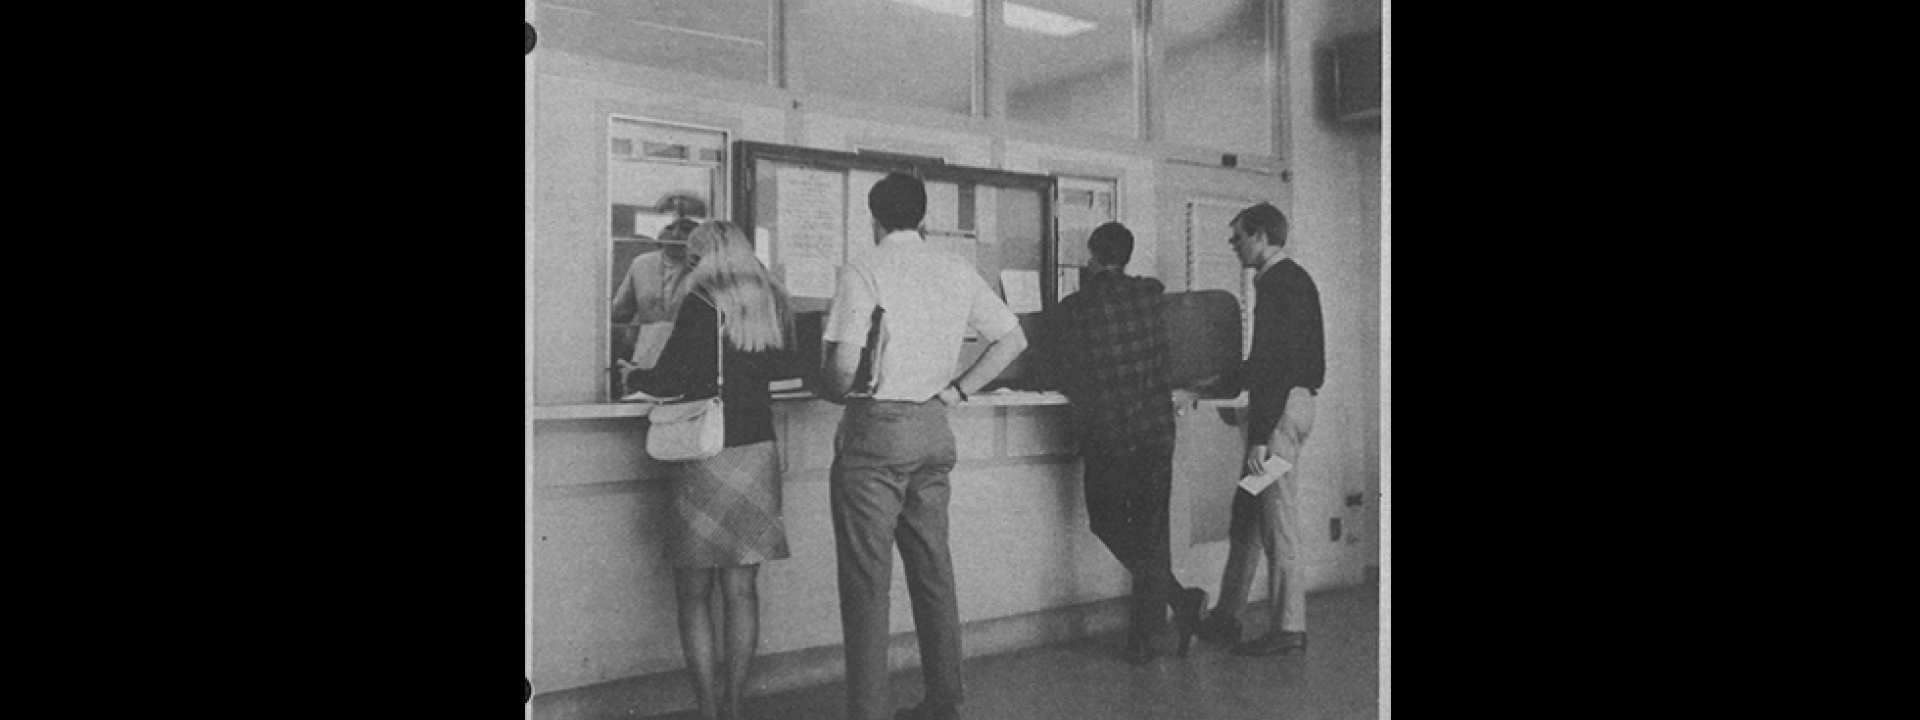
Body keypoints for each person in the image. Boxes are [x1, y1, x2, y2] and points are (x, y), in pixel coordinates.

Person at [821, 173, 1027, 720]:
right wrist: (958, 389)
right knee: (933, 569)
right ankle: (946, 699)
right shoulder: (955, 269)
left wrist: (834, 388)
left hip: (877, 431)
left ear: (874, 217)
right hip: (934, 429)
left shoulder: (864, 267)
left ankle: (866, 711)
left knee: (867, 582)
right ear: (924, 217)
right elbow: (1012, 338)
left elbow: (843, 366)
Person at [625, 220, 796, 720]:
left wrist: (634, 373)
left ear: (704, 259)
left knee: (694, 592)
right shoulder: (772, 302)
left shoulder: (701, 305)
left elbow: (673, 376)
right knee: (742, 589)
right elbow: (787, 366)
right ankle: (735, 705)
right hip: (758, 451)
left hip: (708, 453)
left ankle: (705, 708)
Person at [1048, 222, 1208, 664]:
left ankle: (1173, 607)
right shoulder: (1151, 294)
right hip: (1156, 433)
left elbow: (1062, 369)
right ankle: (1157, 623)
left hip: (1109, 436)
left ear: (1093, 256)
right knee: (1152, 535)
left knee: (1108, 523)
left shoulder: (1074, 308)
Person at [1195, 202, 1326, 657]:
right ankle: (1227, 616)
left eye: (1238, 237)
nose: (1233, 246)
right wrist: (1221, 383)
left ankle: (1289, 627)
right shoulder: (1282, 280)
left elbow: (1275, 367)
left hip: (1279, 415)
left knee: (1277, 521)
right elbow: (1265, 362)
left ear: (1262, 236)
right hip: (1287, 406)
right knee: (1248, 513)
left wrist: (1258, 439)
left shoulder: (1279, 284)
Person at [613, 217, 699, 381]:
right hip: (646, 352)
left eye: (685, 229)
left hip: (686, 355)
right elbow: (620, 313)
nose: (676, 235)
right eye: (670, 227)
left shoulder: (702, 267)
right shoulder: (641, 264)